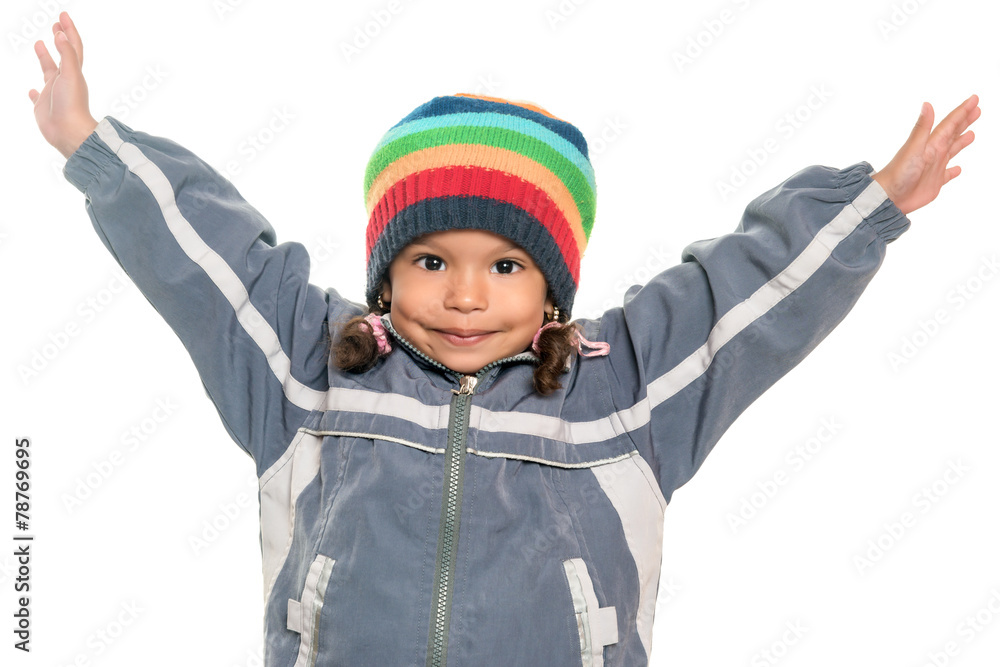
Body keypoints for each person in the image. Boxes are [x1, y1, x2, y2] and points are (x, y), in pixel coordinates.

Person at [29, 11, 980, 667]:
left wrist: (873, 205)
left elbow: (743, 295)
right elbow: (209, 258)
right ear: (386, 275)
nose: (466, 295)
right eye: (431, 260)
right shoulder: (310, 373)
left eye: (507, 265)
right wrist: (90, 145)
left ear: (554, 289)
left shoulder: (621, 392)